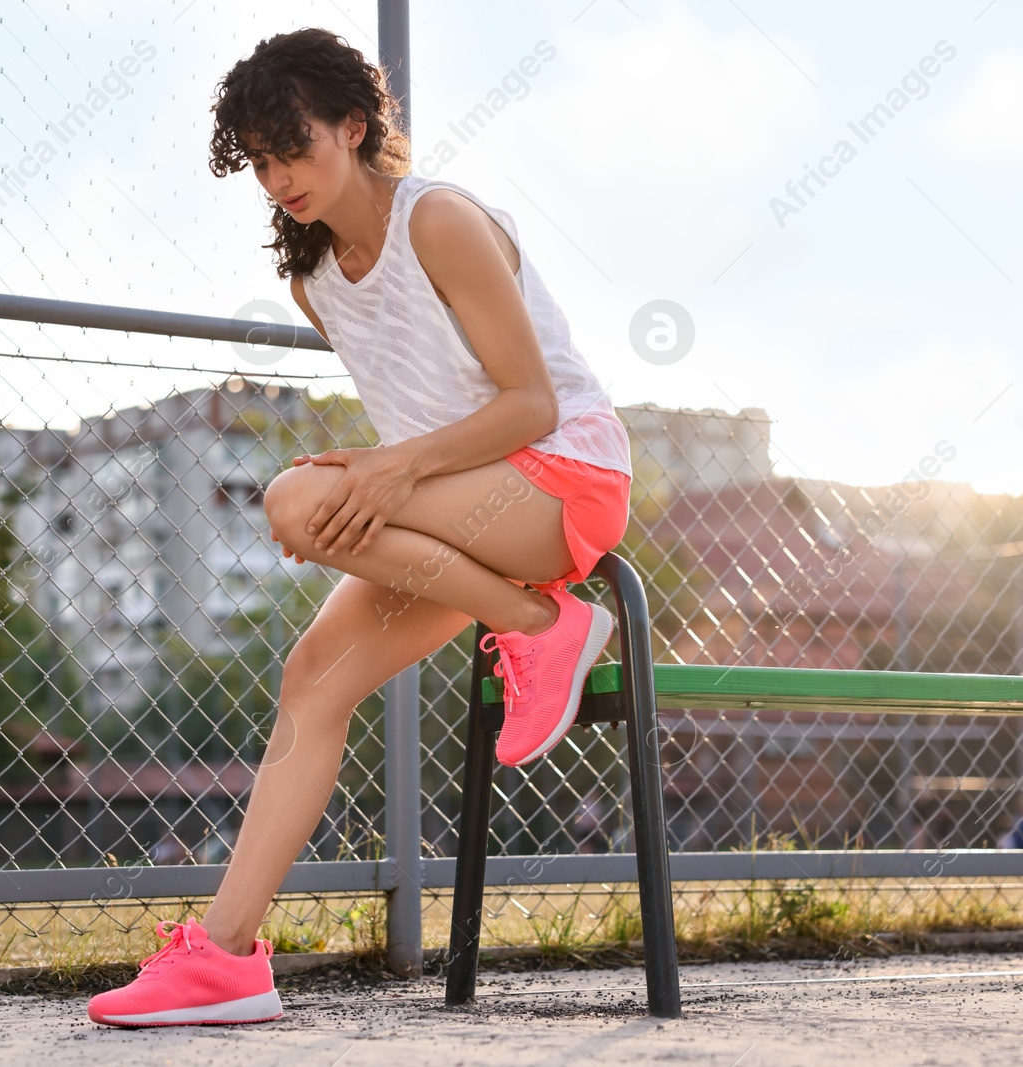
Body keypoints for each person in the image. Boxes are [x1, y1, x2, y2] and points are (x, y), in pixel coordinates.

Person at [87, 27, 633, 1028]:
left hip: (562, 480)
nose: (277, 175)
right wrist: (392, 474)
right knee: (310, 681)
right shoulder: (316, 279)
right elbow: (421, 418)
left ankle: (536, 619)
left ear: (354, 124)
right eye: (258, 159)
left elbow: (529, 404)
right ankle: (226, 954)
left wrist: (389, 471)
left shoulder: (443, 221)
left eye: (292, 146)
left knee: (295, 500)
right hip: (465, 506)